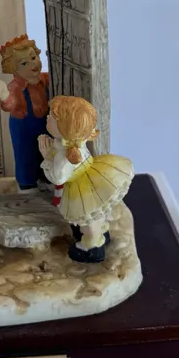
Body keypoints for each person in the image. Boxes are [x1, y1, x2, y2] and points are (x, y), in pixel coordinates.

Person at [38, 95, 134, 263]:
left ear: (65, 127)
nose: (47, 117)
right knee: (95, 215)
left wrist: (46, 157)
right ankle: (101, 232)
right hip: (92, 175)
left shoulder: (65, 155)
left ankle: (92, 246)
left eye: (52, 117)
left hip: (81, 187)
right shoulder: (71, 144)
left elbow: (57, 177)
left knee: (87, 216)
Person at [0, 36, 49, 191]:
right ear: (14, 69)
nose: (33, 64)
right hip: (24, 127)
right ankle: (27, 185)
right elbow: (11, 103)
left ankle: (47, 178)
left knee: (47, 151)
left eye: (33, 57)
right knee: (26, 155)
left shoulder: (45, 79)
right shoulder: (15, 87)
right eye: (24, 63)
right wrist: (5, 97)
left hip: (45, 124)